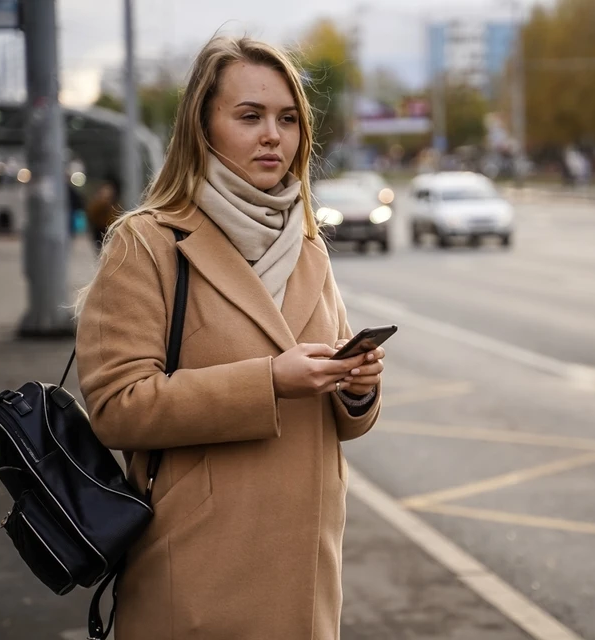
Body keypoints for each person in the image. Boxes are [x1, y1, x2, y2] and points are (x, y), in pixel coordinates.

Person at [74, 36, 385, 639]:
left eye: (287, 119)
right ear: (202, 127)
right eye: (250, 116)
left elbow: (346, 415)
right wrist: (269, 381)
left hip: (305, 578)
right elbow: (116, 408)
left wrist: (359, 387)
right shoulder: (148, 242)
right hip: (195, 572)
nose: (274, 135)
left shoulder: (309, 245)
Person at [84, 174, 121, 251]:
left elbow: (114, 218)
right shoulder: (97, 204)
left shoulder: (114, 205)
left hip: (109, 232)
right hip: (98, 232)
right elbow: (92, 215)